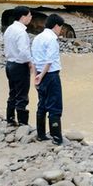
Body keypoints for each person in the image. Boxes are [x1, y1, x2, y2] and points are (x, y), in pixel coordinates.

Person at [31, 14, 65, 144]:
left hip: (40, 74)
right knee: (55, 106)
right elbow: (50, 61)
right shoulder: (52, 39)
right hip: (50, 75)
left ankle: (40, 134)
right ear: (56, 26)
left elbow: (33, 60)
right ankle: (56, 138)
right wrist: (42, 74)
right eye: (60, 28)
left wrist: (36, 76)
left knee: (42, 105)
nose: (60, 31)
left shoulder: (37, 38)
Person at [3, 6, 34, 126]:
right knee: (22, 95)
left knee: (13, 93)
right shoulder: (21, 32)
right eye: (29, 16)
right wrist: (30, 62)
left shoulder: (10, 29)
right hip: (20, 66)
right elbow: (24, 52)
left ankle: (10, 119)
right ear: (23, 17)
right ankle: (22, 123)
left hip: (9, 64)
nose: (31, 18)